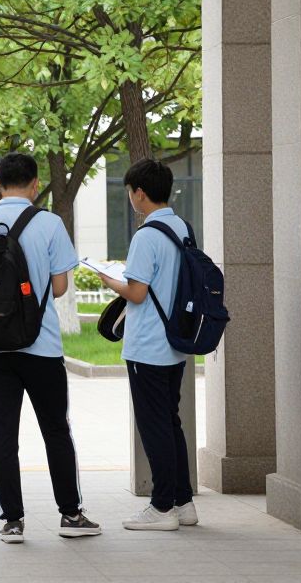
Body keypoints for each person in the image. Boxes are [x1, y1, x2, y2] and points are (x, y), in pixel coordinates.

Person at [0, 152, 100, 543]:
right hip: (41, 347)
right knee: (56, 429)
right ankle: (71, 515)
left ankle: (12, 521)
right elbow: (59, 288)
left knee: (3, 435)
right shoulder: (50, 224)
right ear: (36, 184)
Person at [97, 158, 198, 532]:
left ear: (140, 193)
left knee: (154, 426)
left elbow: (136, 292)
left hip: (147, 345)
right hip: (175, 343)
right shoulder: (182, 228)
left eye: (130, 193)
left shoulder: (146, 235)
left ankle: (161, 508)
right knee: (171, 422)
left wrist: (110, 281)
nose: (130, 199)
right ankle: (184, 502)